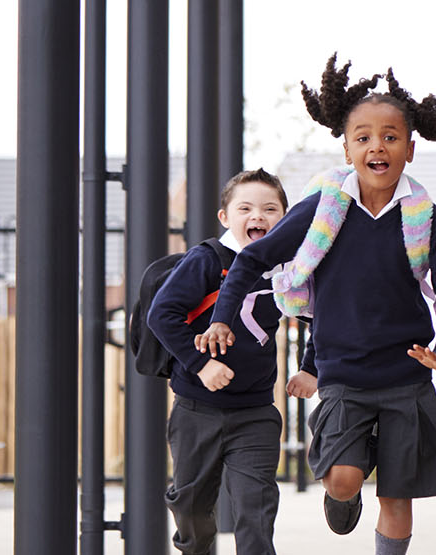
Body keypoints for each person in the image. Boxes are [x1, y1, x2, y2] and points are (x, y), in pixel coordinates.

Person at [198, 56, 436, 555]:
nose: (377, 146)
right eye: (363, 137)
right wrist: (220, 319)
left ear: (410, 148)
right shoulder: (323, 209)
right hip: (343, 372)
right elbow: (251, 259)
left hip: (405, 374)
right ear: (346, 148)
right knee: (343, 480)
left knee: (396, 494)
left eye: (390, 137)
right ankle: (346, 488)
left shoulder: (423, 217)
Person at [149, 169, 293, 554]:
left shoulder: (286, 266)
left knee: (255, 513)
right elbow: (161, 315)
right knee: (193, 514)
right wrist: (201, 364)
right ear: (225, 217)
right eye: (245, 208)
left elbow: (320, 313)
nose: (257, 216)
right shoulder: (206, 261)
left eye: (269, 209)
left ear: (284, 217)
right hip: (197, 411)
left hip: (256, 412)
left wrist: (311, 367)